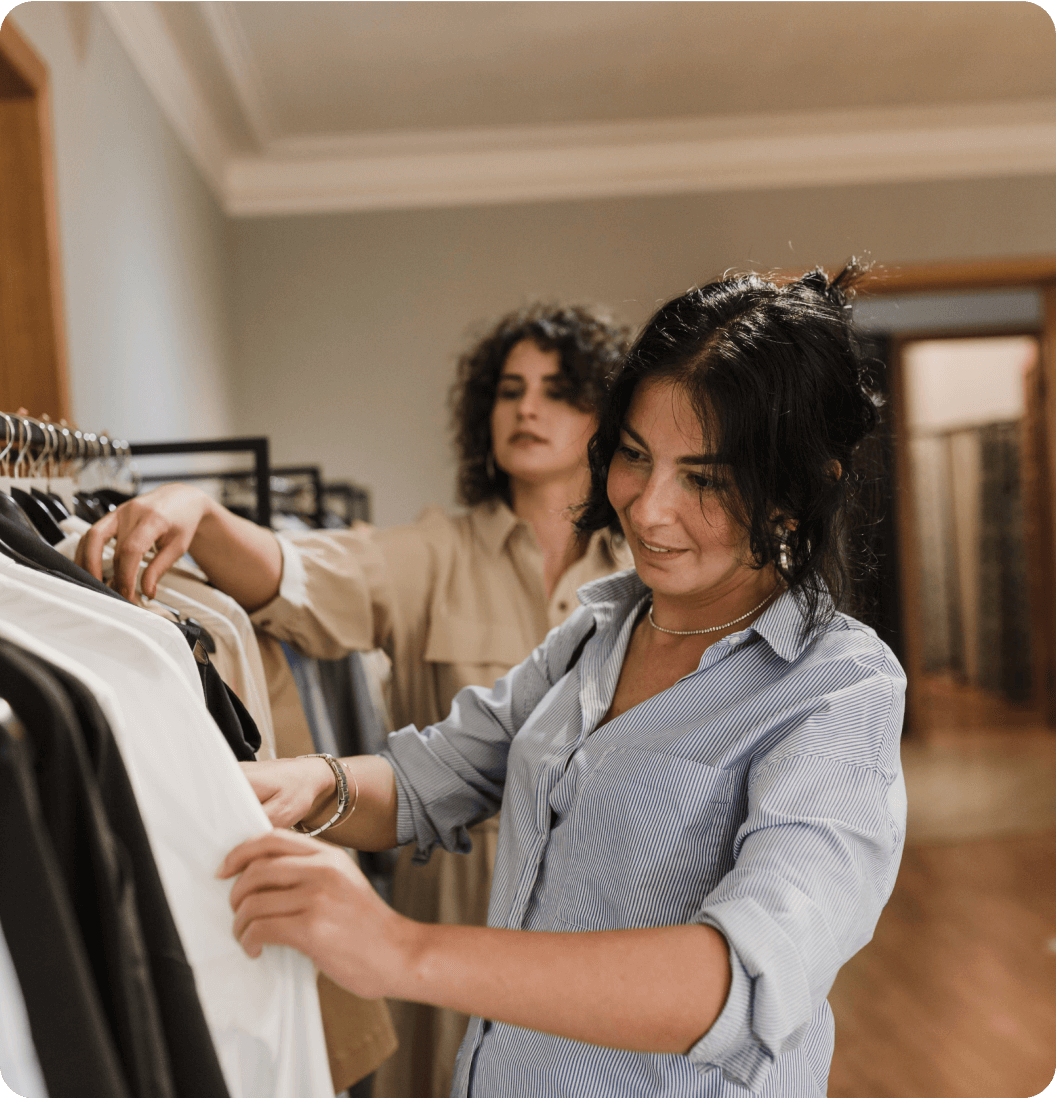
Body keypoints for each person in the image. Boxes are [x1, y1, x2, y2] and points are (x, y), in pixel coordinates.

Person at [214, 265, 907, 1098]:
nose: (648, 510)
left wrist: (401, 949)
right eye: (636, 457)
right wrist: (292, 784)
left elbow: (745, 980)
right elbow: (434, 776)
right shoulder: (599, 631)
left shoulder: (836, 692)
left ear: (801, 490)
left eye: (707, 480)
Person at [76, 304, 633, 1098]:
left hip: (598, 929)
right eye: (510, 389)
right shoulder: (436, 553)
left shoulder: (644, 579)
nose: (527, 408)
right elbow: (293, 577)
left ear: (605, 418)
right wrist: (195, 512)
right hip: (446, 925)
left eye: (559, 389)